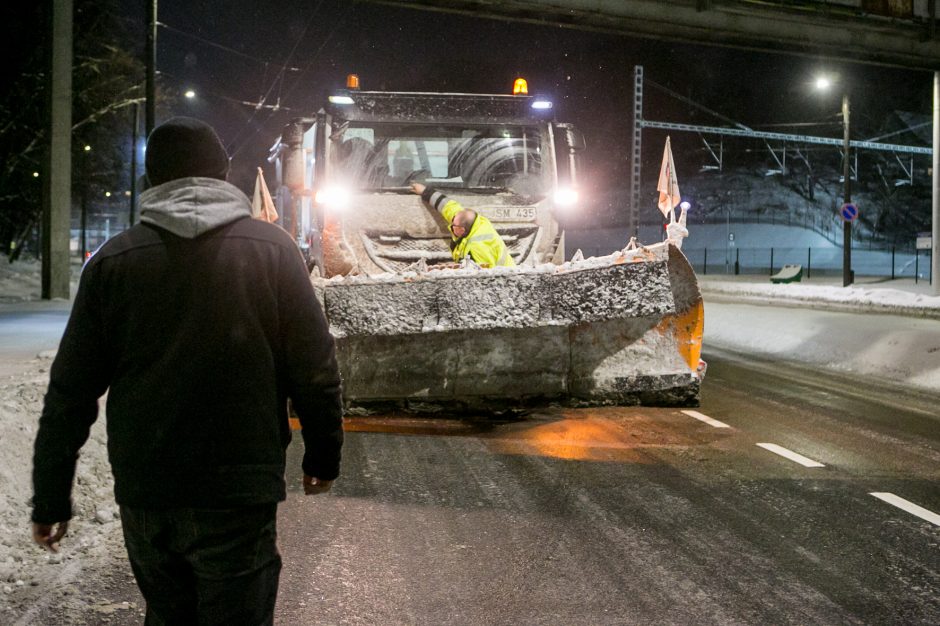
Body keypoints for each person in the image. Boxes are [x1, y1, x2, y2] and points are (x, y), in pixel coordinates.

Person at [30, 116, 344, 625]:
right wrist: (322, 455)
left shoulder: (114, 263)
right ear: (222, 174)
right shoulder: (273, 252)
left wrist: (50, 499)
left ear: (151, 181)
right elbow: (315, 366)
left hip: (148, 489)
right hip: (238, 490)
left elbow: (69, 394)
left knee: (168, 613)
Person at [410, 182, 516, 268]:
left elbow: (479, 276)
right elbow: (447, 206)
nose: (451, 226)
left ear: (461, 230)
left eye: (453, 226)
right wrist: (425, 191)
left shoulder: (477, 247)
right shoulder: (468, 219)